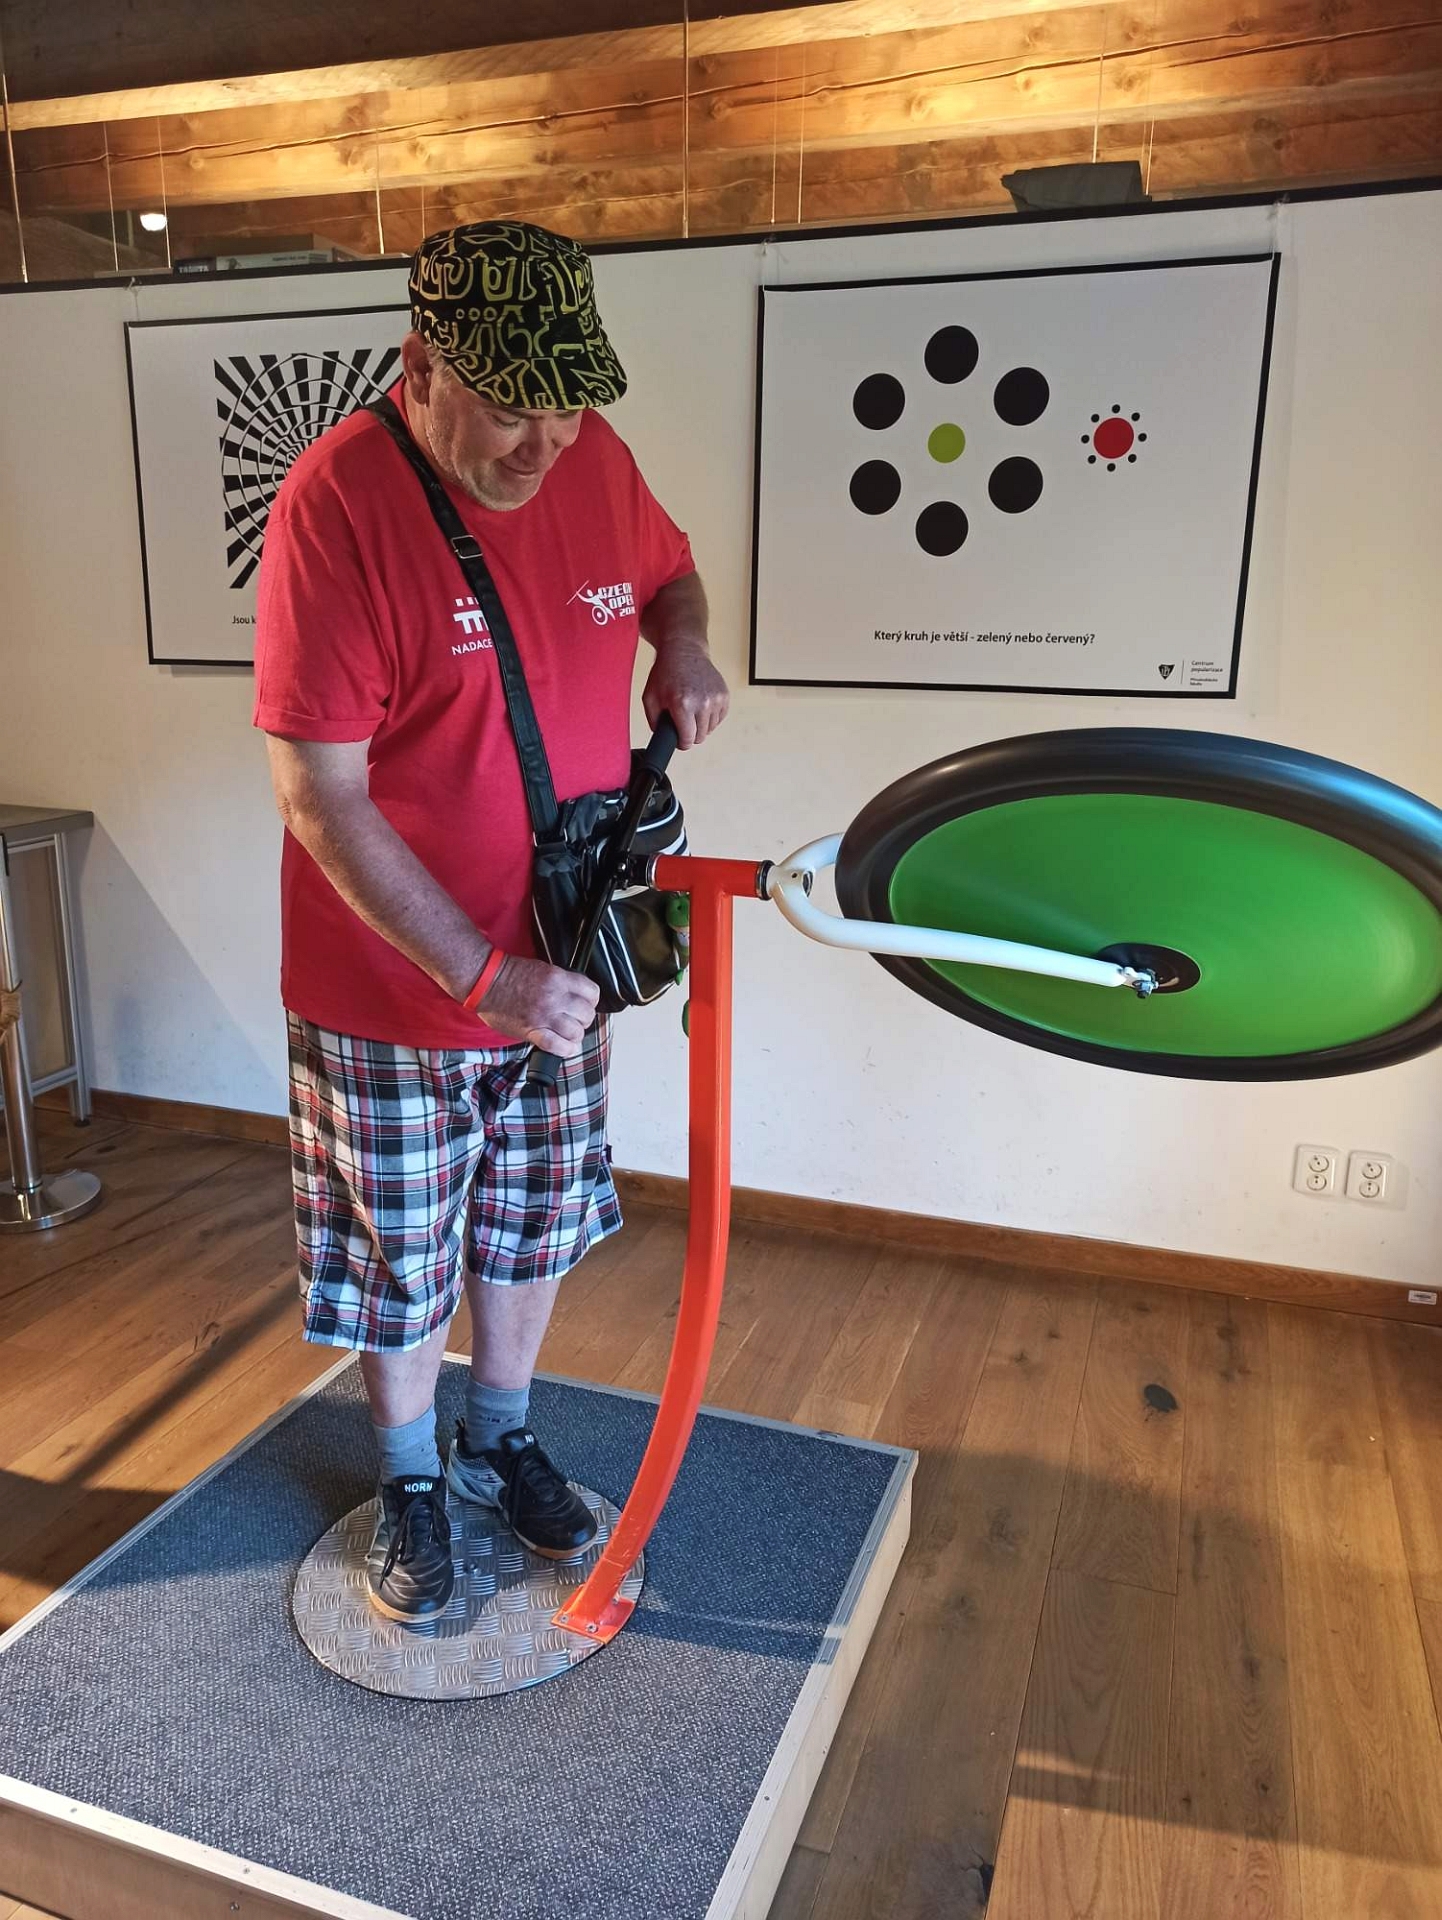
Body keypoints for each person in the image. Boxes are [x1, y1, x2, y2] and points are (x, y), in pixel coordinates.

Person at [253, 220, 729, 1623]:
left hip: (566, 955)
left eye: (567, 412)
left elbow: (669, 572)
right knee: (401, 1245)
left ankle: (499, 1435)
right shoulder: (334, 507)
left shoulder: (592, 456)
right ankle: (409, 1473)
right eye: (514, 412)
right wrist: (481, 977)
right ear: (420, 368)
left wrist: (684, 642)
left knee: (529, 1219)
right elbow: (319, 795)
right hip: (394, 988)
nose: (544, 447)